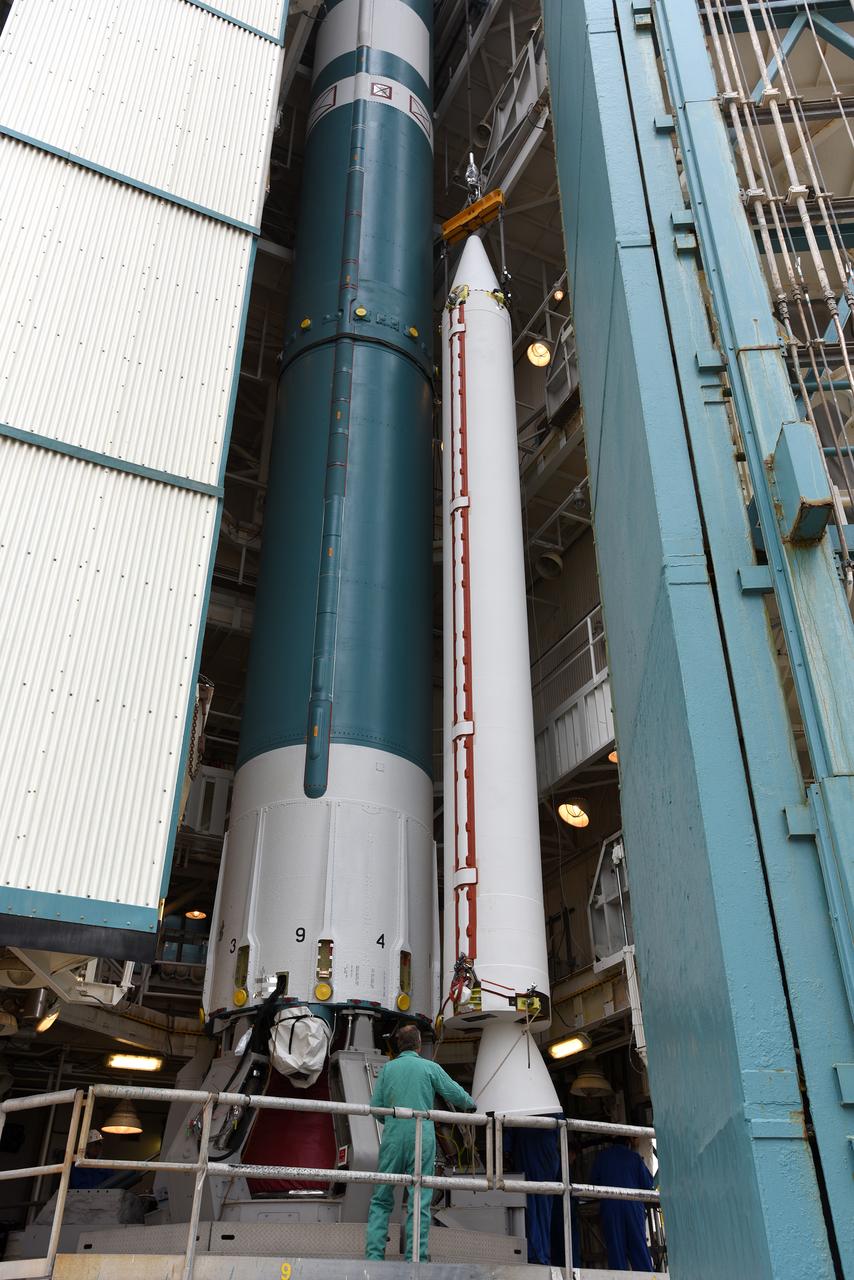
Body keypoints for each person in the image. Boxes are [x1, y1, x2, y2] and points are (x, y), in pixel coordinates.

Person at [365, 1024, 476, 1263]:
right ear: (418, 1045)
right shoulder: (429, 1067)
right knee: (419, 1197)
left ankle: (374, 1257)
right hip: (421, 1137)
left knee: (382, 1197)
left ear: (397, 1046)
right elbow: (455, 1094)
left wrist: (393, 1121)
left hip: (393, 1136)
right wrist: (471, 1103)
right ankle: (416, 1258)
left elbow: (375, 1108)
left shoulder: (387, 1070)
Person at [504, 1123, 580, 1267]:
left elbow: (508, 1128)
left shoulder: (518, 1104)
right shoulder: (548, 1103)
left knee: (531, 1205)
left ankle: (536, 1256)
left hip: (527, 1149)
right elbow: (558, 1126)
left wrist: (506, 1151)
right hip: (545, 1151)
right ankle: (542, 1256)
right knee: (543, 1207)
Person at [590, 1136, 655, 1272]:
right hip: (633, 1207)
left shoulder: (602, 1157)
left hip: (611, 1208)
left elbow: (593, 1183)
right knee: (639, 1251)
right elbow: (648, 1185)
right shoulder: (634, 1158)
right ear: (628, 1143)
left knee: (617, 1254)